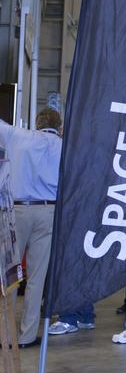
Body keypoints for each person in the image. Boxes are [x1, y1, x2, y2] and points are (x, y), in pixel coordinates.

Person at [2, 107, 62, 348]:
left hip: (17, 211)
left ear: (37, 123)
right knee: (37, 277)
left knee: (10, 276)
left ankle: (4, 336)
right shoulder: (63, 146)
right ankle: (27, 336)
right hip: (49, 210)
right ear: (58, 127)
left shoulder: (18, 136)